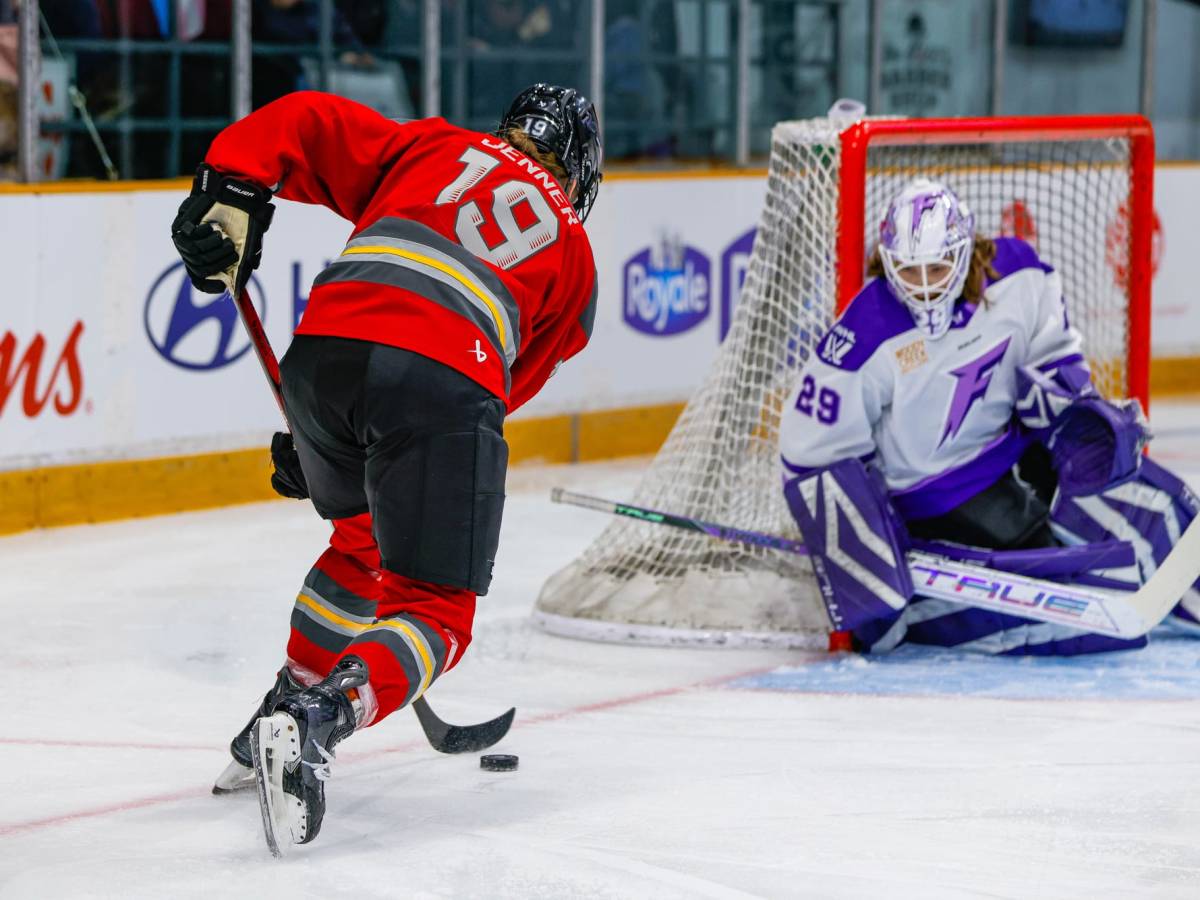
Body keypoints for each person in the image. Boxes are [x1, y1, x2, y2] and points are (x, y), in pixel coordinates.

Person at [169, 84, 601, 851]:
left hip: (322, 354)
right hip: (441, 376)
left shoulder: (433, 147)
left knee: (362, 539)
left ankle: (281, 702)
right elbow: (498, 389)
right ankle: (316, 719)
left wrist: (231, 186)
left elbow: (305, 120)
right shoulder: (574, 254)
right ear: (579, 169)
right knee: (436, 609)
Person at [780, 178, 1200, 656]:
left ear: (965, 253)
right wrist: (860, 541)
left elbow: (1054, 353)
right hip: (937, 506)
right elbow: (808, 449)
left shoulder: (1019, 276)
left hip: (1022, 465)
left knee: (1167, 511)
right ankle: (920, 612)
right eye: (907, 271)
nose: (922, 287)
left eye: (936, 268)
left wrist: (1073, 406)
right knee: (1101, 600)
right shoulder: (865, 332)